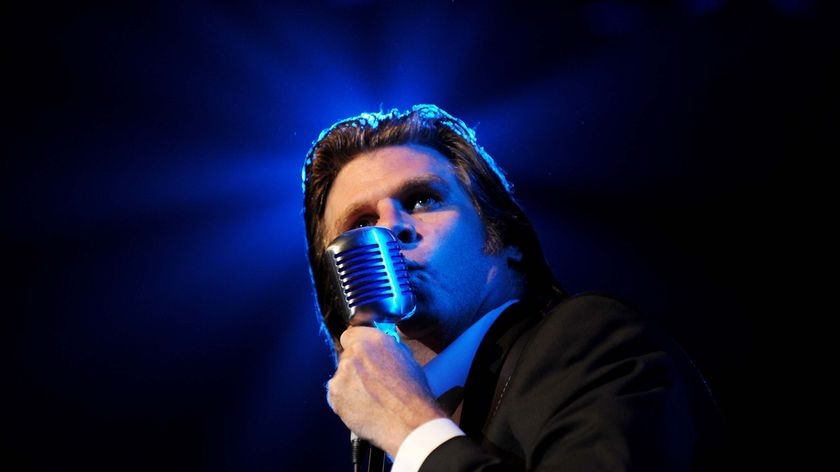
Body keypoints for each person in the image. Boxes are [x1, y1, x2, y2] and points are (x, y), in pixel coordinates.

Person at [301, 104, 722, 471]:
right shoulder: (388, 443)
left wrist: (409, 426)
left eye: (421, 199)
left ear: (506, 240)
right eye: (360, 225)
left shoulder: (590, 339)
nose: (391, 229)